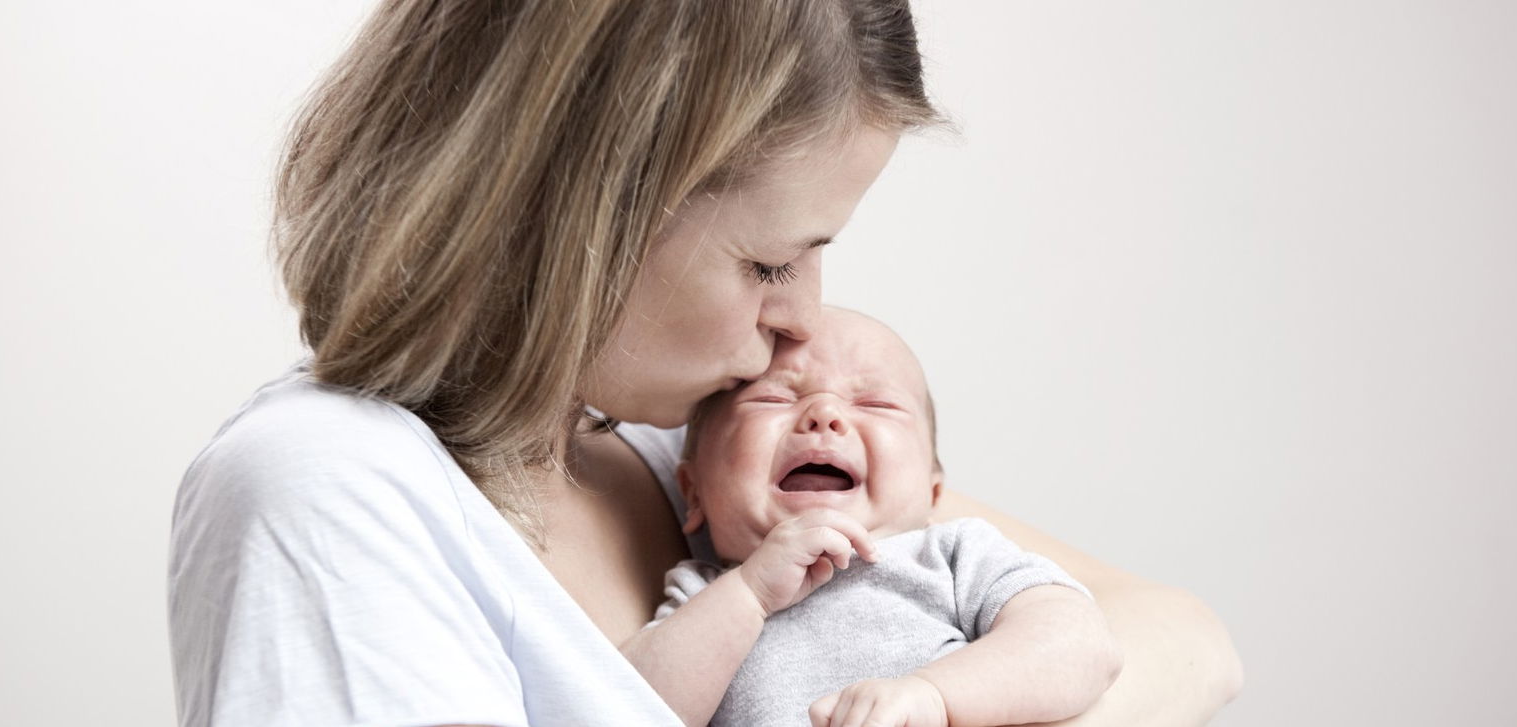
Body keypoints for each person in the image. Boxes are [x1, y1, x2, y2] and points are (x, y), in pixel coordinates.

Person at [168, 2, 1243, 726]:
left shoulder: (691, 444)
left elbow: (1182, 639)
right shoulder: (331, 492)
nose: (802, 329)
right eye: (770, 261)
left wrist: (938, 699)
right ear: (577, 210)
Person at [626, 307, 1123, 727]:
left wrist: (935, 694)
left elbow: (1082, 645)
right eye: (773, 399)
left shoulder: (952, 553)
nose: (824, 415)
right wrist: (750, 594)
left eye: (876, 403)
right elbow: (615, 705)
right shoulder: (705, 599)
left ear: (932, 492)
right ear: (693, 494)